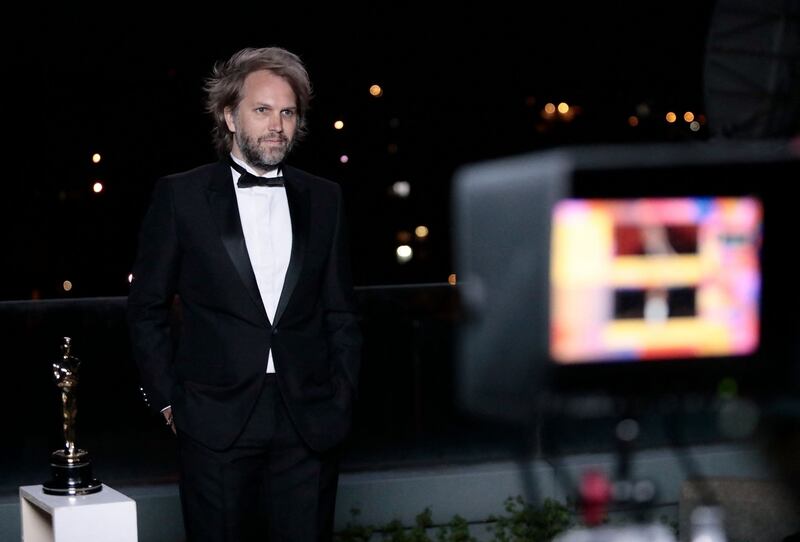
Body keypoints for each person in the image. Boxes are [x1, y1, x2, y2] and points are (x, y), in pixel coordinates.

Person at [127, 46, 362, 542]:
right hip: (213, 420)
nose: (277, 125)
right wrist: (169, 402)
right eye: (262, 110)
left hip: (309, 420)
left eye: (288, 112)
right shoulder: (181, 196)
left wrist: (340, 399)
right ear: (229, 117)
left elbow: (341, 311)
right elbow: (146, 308)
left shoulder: (326, 198)